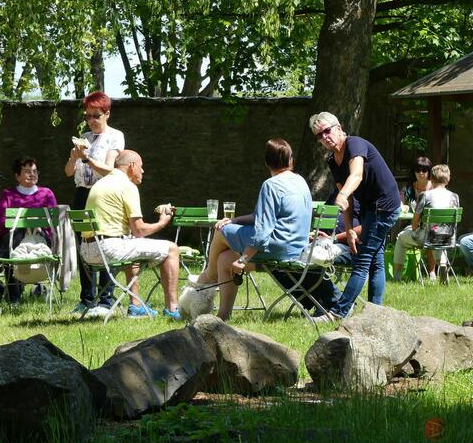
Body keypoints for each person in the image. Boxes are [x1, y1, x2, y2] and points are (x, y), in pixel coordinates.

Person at [195, 138, 341, 321]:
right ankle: (222, 316)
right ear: (291, 160)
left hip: (276, 247)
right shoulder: (300, 181)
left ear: (266, 162)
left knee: (220, 231)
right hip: (297, 248)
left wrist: (243, 259)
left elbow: (262, 232)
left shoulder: (271, 185)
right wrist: (233, 220)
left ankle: (208, 276)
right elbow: (261, 217)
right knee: (225, 259)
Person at [309, 112, 400, 322]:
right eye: (319, 135)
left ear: (339, 127)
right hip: (369, 207)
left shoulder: (355, 145)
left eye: (327, 131)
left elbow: (356, 175)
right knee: (375, 260)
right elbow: (348, 201)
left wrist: (341, 194)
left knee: (362, 261)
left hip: (385, 206)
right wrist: (349, 228)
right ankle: (375, 314)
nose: (324, 137)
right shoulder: (332, 160)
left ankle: (337, 313)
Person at [79, 149, 181, 320]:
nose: (143, 171)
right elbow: (139, 230)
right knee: (172, 249)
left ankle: (136, 306)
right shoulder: (127, 186)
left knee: (131, 243)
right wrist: (162, 222)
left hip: (87, 251)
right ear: (132, 166)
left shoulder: (101, 183)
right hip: (108, 249)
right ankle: (172, 309)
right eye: (141, 166)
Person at [64, 91, 124, 312]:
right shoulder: (84, 137)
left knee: (104, 243)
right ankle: (86, 299)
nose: (91, 120)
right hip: (82, 193)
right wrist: (74, 158)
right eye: (88, 116)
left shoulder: (115, 136)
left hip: (103, 194)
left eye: (96, 115)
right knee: (84, 245)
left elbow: (108, 169)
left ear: (107, 114)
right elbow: (68, 172)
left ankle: (106, 299)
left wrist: (87, 159)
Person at [0, 156, 58, 304]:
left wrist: (31, 224)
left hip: (39, 238)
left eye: (35, 171)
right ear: (17, 176)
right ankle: (14, 297)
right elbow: (3, 221)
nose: (32, 174)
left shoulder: (46, 194)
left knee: (19, 230)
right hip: (12, 238)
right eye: (27, 171)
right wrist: (25, 223)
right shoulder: (8, 194)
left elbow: (52, 222)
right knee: (16, 233)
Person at [393, 165, 459, 282]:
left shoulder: (426, 195)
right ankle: (442, 265)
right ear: (448, 179)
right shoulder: (454, 197)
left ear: (431, 179)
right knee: (436, 238)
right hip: (448, 237)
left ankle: (397, 277)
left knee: (400, 238)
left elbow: (415, 223)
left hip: (427, 237)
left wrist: (414, 228)